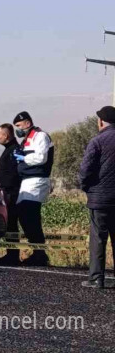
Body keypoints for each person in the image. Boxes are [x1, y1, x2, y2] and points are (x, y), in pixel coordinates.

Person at [79, 106, 115, 288]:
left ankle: (96, 279)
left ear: (101, 121)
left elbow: (85, 170)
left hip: (100, 199)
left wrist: (86, 187)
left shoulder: (97, 141)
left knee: (98, 239)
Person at [12, 111, 54, 266]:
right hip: (27, 181)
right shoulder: (27, 139)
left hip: (37, 180)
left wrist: (24, 158)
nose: (18, 129)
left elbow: (41, 158)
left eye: (19, 125)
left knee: (31, 216)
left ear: (27, 123)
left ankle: (40, 254)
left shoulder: (40, 136)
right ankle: (36, 251)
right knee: (24, 216)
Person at [0, 123, 22, 264]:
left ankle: (12, 255)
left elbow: (14, 173)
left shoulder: (14, 150)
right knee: (10, 224)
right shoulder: (9, 150)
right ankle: (11, 253)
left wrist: (7, 190)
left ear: (6, 136)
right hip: (9, 191)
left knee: (11, 224)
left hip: (12, 192)